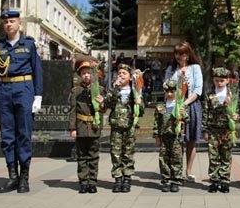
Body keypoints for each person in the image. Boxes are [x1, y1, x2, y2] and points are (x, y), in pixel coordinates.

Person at [0, 10, 43, 194]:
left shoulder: (28, 45)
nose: (8, 25)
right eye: (5, 22)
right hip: (4, 92)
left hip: (24, 90)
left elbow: (37, 71)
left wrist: (38, 96)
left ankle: (24, 178)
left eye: (12, 21)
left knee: (24, 135)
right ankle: (13, 176)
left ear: (19, 23)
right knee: (7, 137)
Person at [164, 41, 203, 182]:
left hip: (190, 105)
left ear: (187, 54)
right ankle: (176, 170)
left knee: (190, 140)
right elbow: (166, 88)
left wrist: (184, 104)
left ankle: (189, 170)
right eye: (176, 53)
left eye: (181, 53)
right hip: (174, 106)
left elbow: (198, 90)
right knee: (175, 139)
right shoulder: (171, 69)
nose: (178, 56)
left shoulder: (195, 68)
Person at [105, 64, 144, 192]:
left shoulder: (135, 91)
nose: (121, 75)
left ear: (130, 77)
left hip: (129, 126)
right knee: (115, 153)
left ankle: (127, 179)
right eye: (119, 73)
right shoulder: (113, 90)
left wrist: (139, 102)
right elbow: (107, 104)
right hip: (116, 126)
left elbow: (141, 111)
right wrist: (115, 89)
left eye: (124, 73)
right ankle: (117, 178)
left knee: (128, 153)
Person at [68, 58, 105, 194]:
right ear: (80, 75)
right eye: (83, 73)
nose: (86, 75)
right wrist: (72, 128)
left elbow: (103, 109)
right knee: (82, 155)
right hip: (81, 126)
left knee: (93, 155)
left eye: (89, 73)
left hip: (94, 127)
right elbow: (73, 110)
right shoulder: (76, 91)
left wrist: (101, 104)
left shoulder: (99, 90)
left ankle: (92, 182)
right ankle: (83, 182)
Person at [202, 67, 236, 193]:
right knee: (213, 156)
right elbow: (205, 112)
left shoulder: (232, 94)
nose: (219, 83)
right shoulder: (209, 94)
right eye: (216, 80)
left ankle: (225, 181)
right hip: (213, 130)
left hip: (227, 130)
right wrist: (205, 130)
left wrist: (235, 117)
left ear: (227, 80)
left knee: (226, 156)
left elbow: (236, 110)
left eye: (222, 80)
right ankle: (214, 181)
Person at [153, 80, 188, 193]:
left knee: (176, 159)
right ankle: (166, 180)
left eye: (172, 91)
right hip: (164, 137)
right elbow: (156, 123)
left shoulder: (180, 105)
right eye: (166, 91)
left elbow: (187, 120)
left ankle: (175, 181)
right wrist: (157, 136)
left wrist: (184, 114)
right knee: (163, 159)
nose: (169, 94)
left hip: (176, 138)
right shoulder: (160, 107)